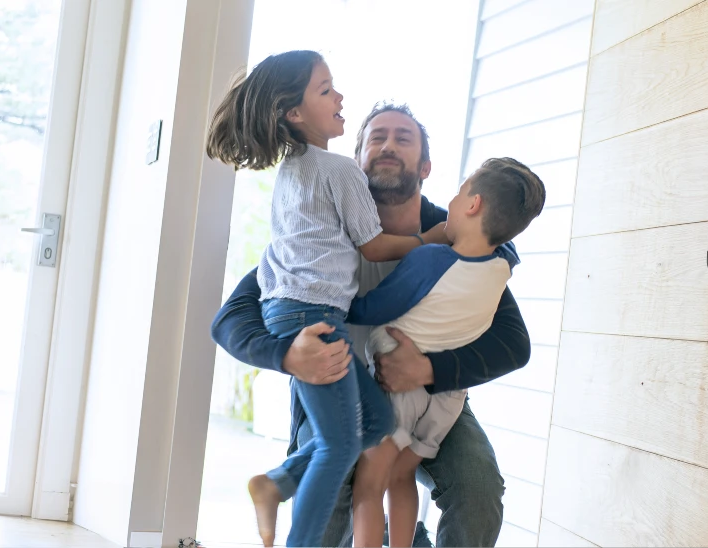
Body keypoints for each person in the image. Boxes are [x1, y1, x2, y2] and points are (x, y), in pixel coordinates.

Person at [211, 103, 532, 547]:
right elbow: (230, 318)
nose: (387, 145)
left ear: (425, 166)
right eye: (376, 138)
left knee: (478, 488)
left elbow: (514, 345)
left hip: (431, 394)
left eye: (403, 138)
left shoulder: (457, 240)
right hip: (339, 387)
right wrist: (284, 354)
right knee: (332, 480)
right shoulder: (314, 236)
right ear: (355, 163)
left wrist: (429, 369)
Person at [204, 51, 449, 548]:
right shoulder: (339, 172)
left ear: (424, 164)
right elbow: (374, 246)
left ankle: (280, 481)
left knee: (376, 421)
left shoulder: (294, 169)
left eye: (402, 138)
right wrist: (431, 241)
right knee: (338, 447)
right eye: (326, 90)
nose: (340, 98)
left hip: (296, 309)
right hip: (314, 318)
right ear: (294, 114)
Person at [348, 158, 544, 546]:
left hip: (398, 389)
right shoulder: (503, 264)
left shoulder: (433, 254)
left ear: (472, 204)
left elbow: (377, 308)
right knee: (401, 476)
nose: (453, 201)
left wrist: (340, 307)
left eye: (460, 193)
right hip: (445, 403)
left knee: (369, 486)